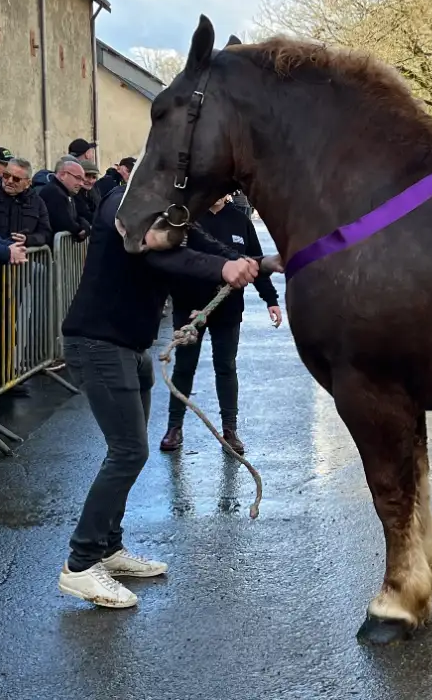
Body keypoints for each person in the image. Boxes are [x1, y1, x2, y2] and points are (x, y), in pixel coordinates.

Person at [56, 185, 281, 608]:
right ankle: (81, 564)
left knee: (125, 452)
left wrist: (262, 262)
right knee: (128, 452)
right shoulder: (124, 205)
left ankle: (109, 548)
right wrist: (224, 269)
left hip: (130, 348)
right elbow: (167, 256)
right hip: (98, 345)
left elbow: (205, 245)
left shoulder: (173, 215)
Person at [159, 193, 282, 454]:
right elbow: (173, 260)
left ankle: (230, 430)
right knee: (184, 367)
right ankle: (174, 427)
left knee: (225, 367)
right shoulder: (191, 219)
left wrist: (270, 299)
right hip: (190, 308)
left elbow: (254, 261)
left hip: (228, 307)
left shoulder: (239, 220)